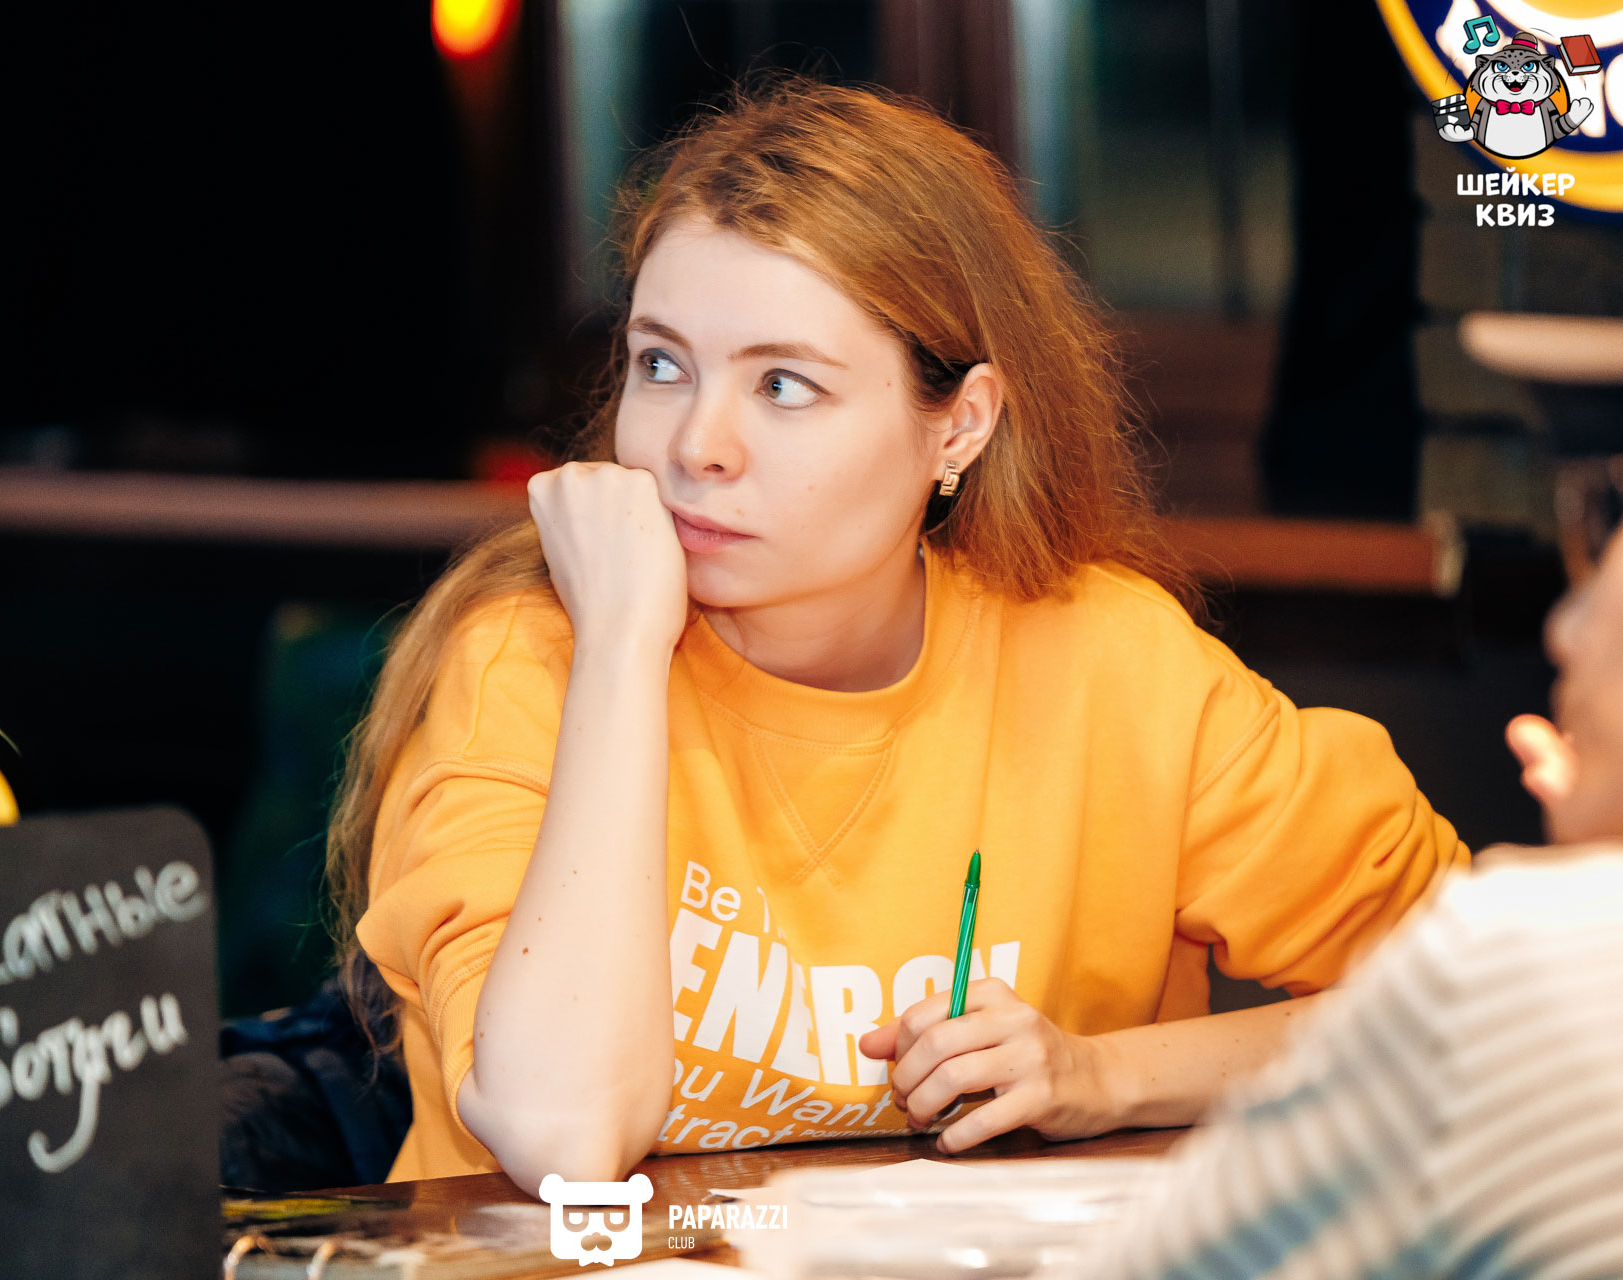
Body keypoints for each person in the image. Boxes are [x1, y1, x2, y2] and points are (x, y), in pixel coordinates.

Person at [331, 74, 1469, 1194]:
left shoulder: (1114, 668)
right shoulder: (531, 662)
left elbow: (1482, 999)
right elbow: (562, 1134)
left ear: (959, 426)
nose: (695, 445)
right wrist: (622, 649)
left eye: (784, 385)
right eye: (660, 364)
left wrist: (1106, 1075)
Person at [1082, 518, 1623, 1277]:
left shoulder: (1513, 952)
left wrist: (1570, 903)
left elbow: (1178, 1263)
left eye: (1602, 593)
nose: (1563, 632)